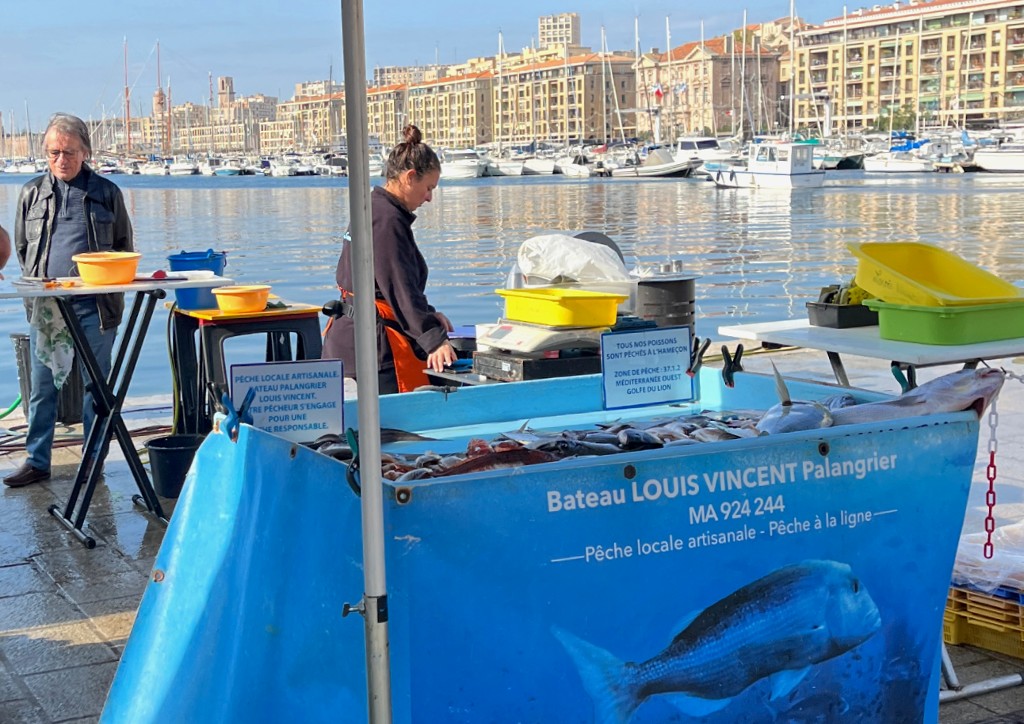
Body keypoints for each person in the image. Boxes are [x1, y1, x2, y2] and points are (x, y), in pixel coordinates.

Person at [3, 113, 134, 488]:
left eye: (69, 152)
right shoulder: (31, 193)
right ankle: (37, 460)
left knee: (97, 386)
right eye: (54, 152)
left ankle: (93, 459)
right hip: (48, 308)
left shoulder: (108, 193)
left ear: (86, 152)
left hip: (95, 307)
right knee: (43, 387)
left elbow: (124, 247)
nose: (61, 160)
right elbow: (24, 248)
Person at [322, 124, 456, 394]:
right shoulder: (387, 221)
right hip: (373, 350)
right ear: (409, 177)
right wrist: (434, 340)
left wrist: (428, 314)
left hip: (348, 340)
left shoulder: (373, 207)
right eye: (428, 187)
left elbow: (384, 285)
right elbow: (400, 288)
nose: (429, 198)